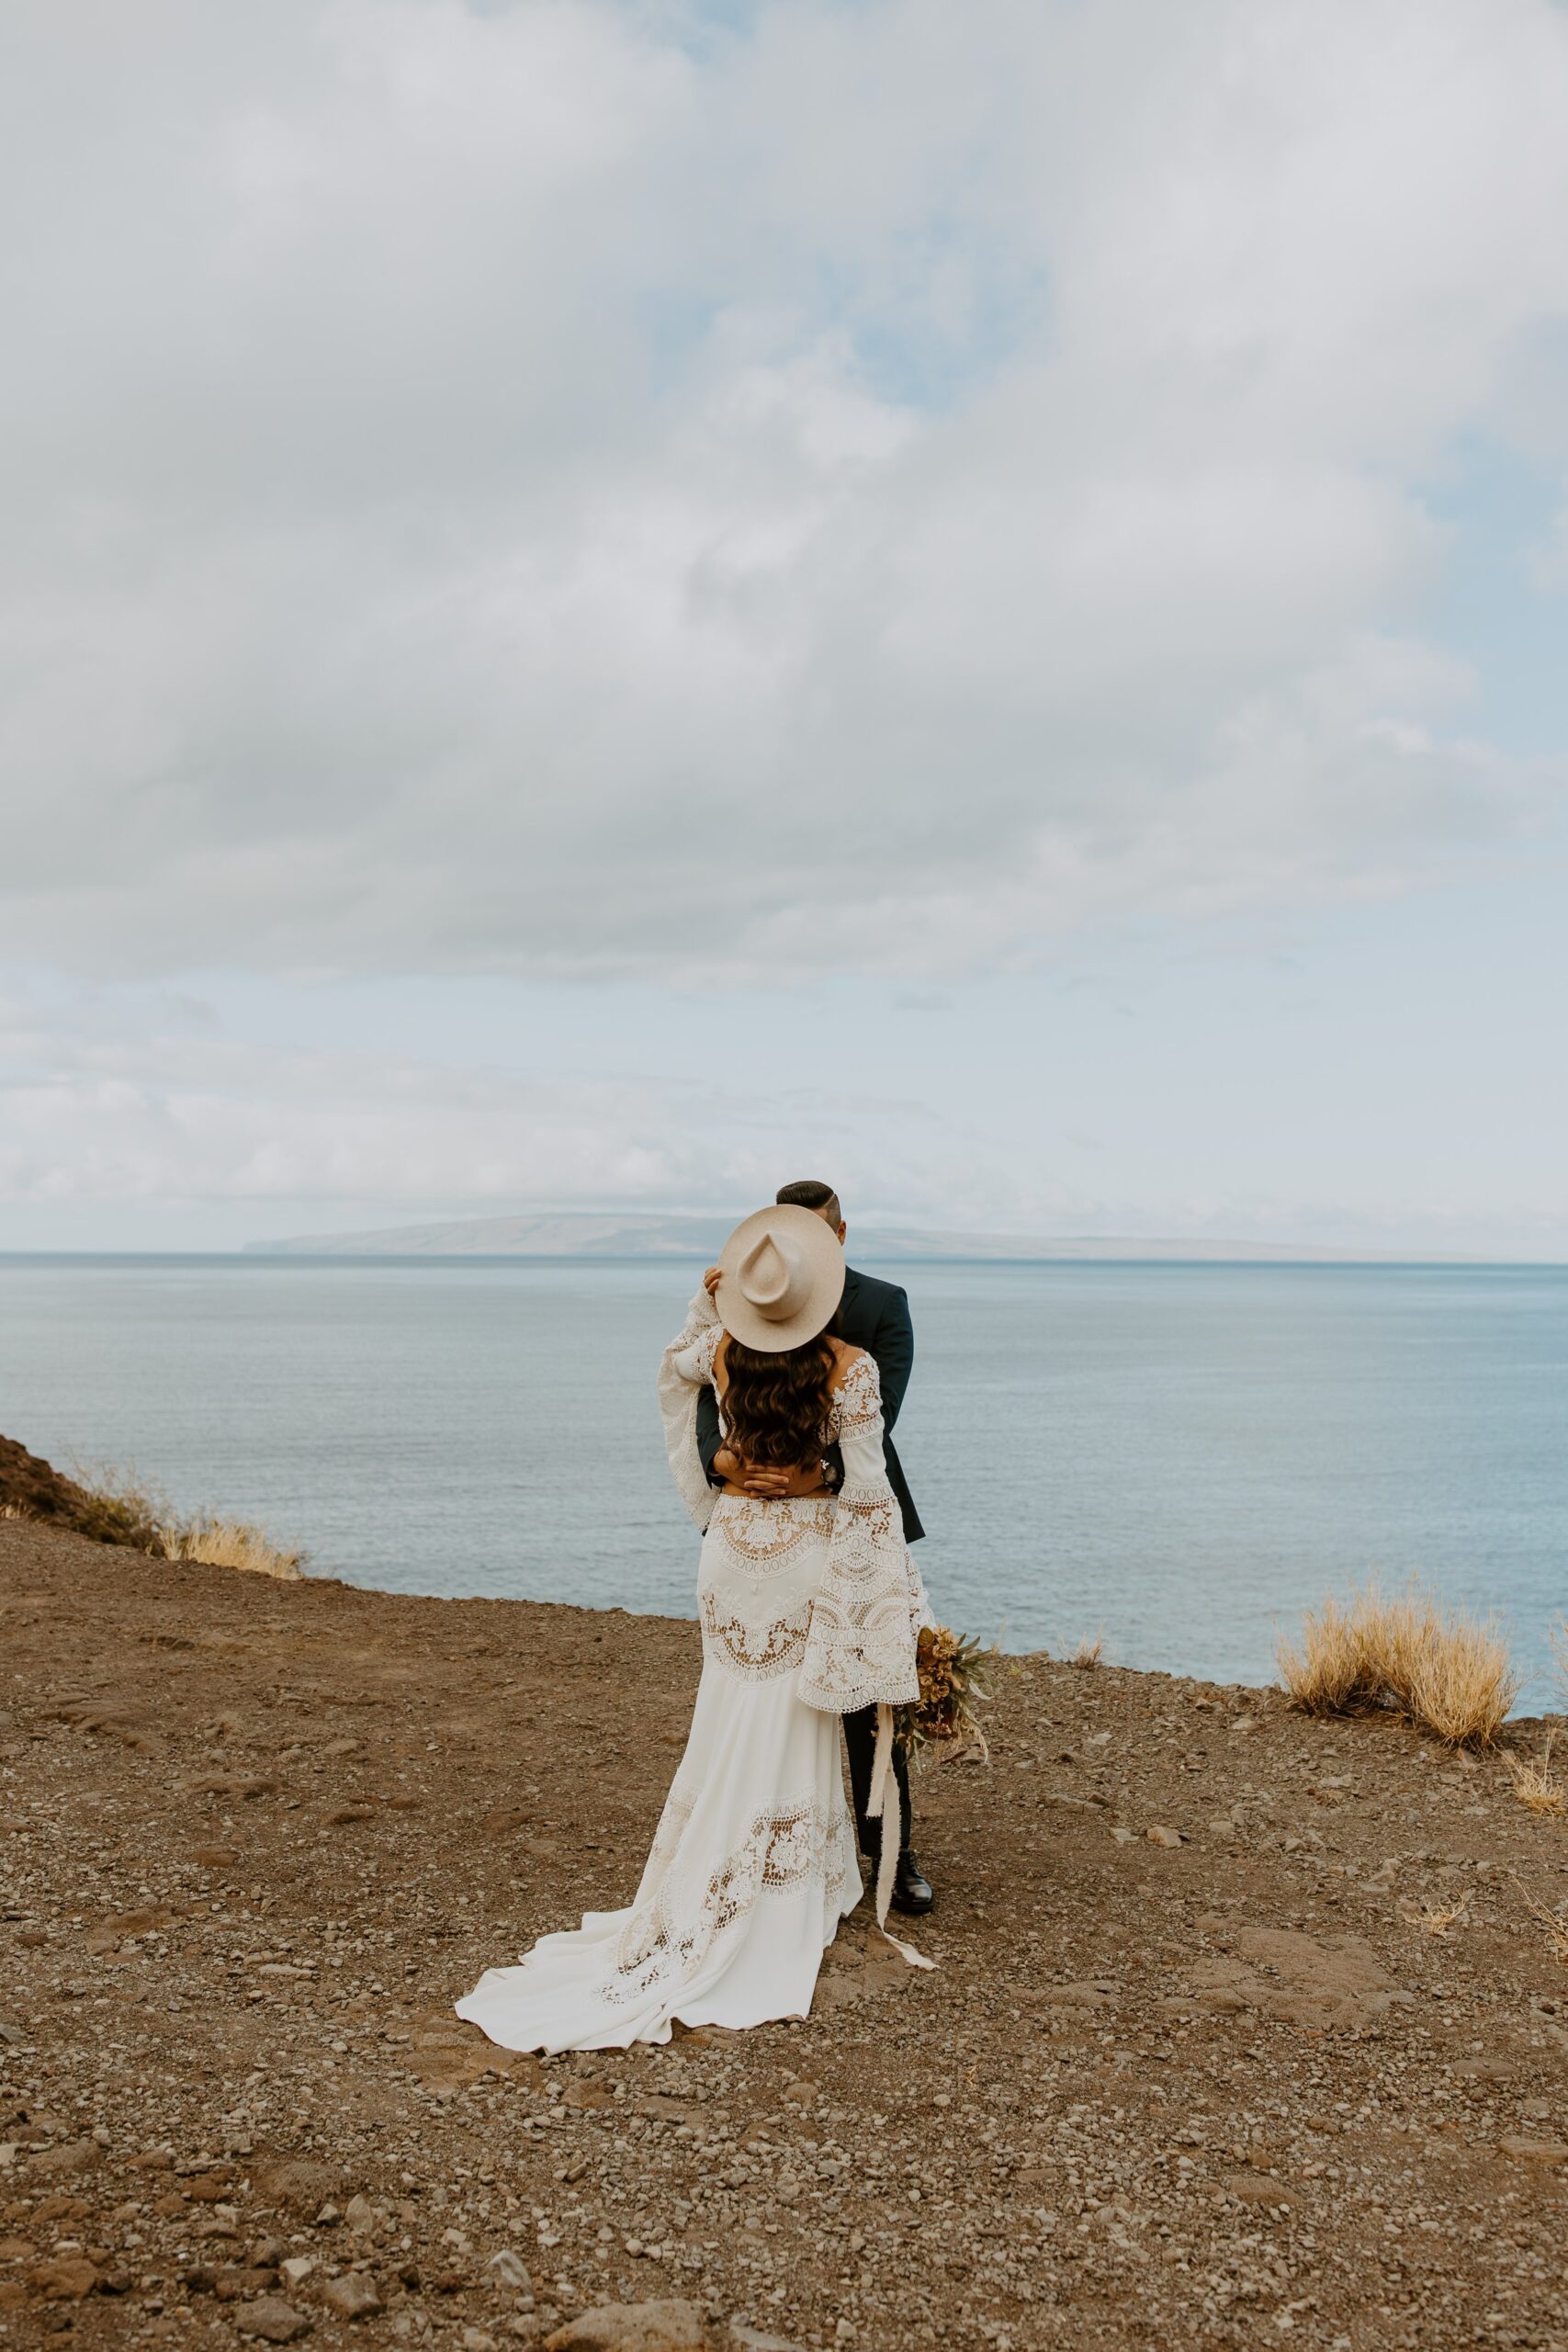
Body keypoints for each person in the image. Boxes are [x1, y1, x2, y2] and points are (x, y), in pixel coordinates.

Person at [455, 1204, 930, 2054]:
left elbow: (670, 1379)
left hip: (730, 1550)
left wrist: (705, 1327)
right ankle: (783, 1887)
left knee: (728, 1709)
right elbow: (866, 1491)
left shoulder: (717, 1350)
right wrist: (888, 1594)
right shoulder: (851, 1367)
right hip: (803, 1552)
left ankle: (712, 1868)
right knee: (794, 1715)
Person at [696, 1180, 934, 1917]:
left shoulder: (882, 1304)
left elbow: (879, 1417)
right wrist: (726, 1464)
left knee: (863, 1699)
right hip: (754, 1528)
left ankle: (891, 1855)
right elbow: (704, 1401)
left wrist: (808, 1472)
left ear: (838, 1232)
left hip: (841, 1522)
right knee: (761, 1702)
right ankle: (754, 1847)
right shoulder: (738, 1301)